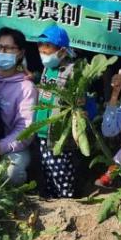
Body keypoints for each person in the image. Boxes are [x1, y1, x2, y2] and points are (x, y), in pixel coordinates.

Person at [33, 25, 87, 198]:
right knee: (46, 167)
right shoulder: (47, 68)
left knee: (61, 168)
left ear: (62, 51)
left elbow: (79, 98)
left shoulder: (73, 71)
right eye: (41, 52)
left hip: (58, 131)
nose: (44, 56)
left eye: (47, 53)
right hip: (42, 129)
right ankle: (51, 196)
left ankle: (66, 198)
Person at [0, 28, 38, 186]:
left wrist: (2, 146)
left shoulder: (27, 88)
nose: (2, 51)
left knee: (10, 174)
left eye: (8, 48)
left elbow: (25, 129)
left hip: (13, 146)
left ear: (20, 53)